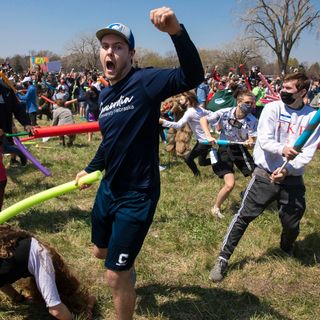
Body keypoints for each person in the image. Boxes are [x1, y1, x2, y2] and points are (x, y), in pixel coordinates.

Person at [75, 7, 203, 320]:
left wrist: (176, 32)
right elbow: (110, 142)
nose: (110, 52)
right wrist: (92, 168)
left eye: (118, 47)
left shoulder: (146, 81)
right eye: (105, 46)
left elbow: (192, 76)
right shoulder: (105, 97)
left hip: (137, 193)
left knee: (114, 275)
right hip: (109, 189)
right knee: (100, 252)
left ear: (131, 54)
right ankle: (124, 261)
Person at [209, 72, 320, 282]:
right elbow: (265, 140)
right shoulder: (272, 108)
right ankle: (223, 258)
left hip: (292, 178)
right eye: (283, 87)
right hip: (264, 174)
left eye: (288, 89)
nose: (282, 92)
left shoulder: (311, 117)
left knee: (291, 223)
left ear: (303, 92)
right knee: (244, 216)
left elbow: (308, 151)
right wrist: (283, 150)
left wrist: (287, 169)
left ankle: (286, 248)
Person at [0, 224, 95, 320]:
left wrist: (18, 298)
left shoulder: (13, 243)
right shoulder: (42, 257)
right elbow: (56, 310)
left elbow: (2, 281)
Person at [200, 91, 257, 218]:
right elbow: (204, 119)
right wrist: (208, 136)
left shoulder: (252, 120)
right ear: (239, 102)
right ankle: (216, 208)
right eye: (247, 102)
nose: (250, 105)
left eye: (252, 103)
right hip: (224, 148)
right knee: (230, 184)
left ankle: (245, 195)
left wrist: (250, 142)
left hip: (240, 149)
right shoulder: (224, 112)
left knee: (256, 178)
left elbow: (252, 139)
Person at [160, 91, 212, 176]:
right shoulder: (199, 108)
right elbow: (210, 113)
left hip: (204, 141)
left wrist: (163, 122)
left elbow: (178, 125)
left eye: (181, 99)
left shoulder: (190, 112)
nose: (179, 101)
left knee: (188, 159)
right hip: (205, 140)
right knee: (202, 162)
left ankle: (197, 174)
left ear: (188, 100)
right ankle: (221, 160)